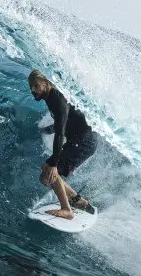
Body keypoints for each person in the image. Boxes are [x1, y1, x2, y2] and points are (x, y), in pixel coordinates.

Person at [29, 69, 97, 219]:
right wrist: (49, 129)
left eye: (36, 86)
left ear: (46, 83)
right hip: (78, 140)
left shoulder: (56, 100)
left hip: (84, 141)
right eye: (31, 87)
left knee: (49, 170)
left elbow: (60, 133)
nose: (33, 90)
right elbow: (63, 122)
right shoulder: (50, 98)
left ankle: (67, 210)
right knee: (45, 177)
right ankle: (78, 202)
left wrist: (53, 162)